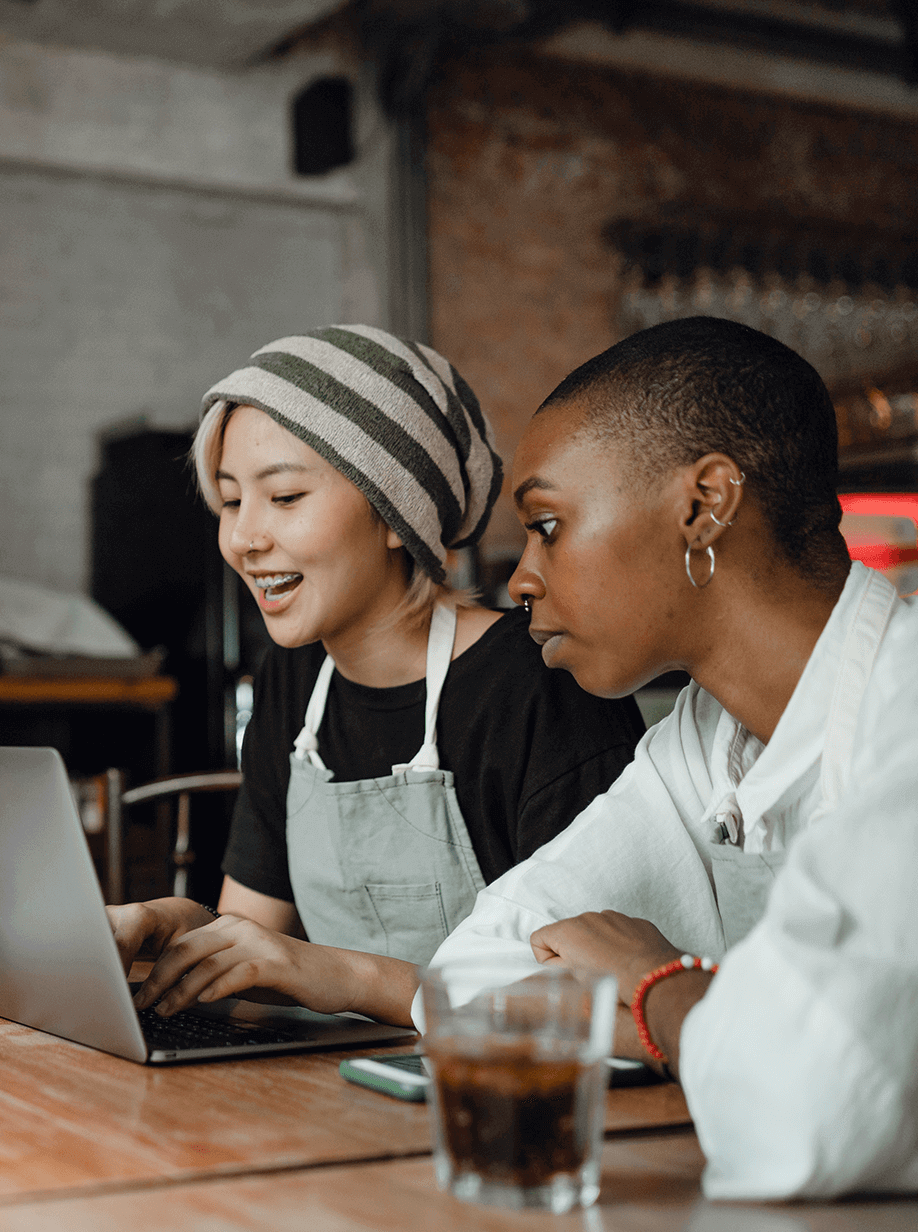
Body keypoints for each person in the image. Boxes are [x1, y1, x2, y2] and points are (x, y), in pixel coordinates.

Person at [423, 318, 917, 1088]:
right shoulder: (700, 740)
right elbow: (465, 979)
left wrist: (654, 979)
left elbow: (827, 1110)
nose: (520, 581)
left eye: (548, 527)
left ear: (705, 505)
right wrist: (719, 1029)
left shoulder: (904, 714)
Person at [109, 325, 644, 1027]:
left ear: (398, 512)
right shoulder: (294, 680)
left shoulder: (538, 685)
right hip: (327, 1087)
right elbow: (251, 938)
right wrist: (174, 925)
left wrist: (346, 975)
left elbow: (588, 1001)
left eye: (285, 497)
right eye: (233, 500)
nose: (243, 538)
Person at [530, 648, 918, 1200]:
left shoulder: (901, 701)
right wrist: (685, 1028)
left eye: (551, 551)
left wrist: (650, 974)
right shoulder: (703, 729)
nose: (523, 579)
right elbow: (498, 960)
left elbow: (803, 1110)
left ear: (696, 552)